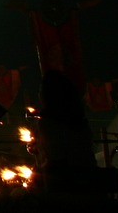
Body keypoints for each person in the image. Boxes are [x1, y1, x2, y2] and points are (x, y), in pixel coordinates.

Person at [34, 69, 98, 198]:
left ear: (48, 95)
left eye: (41, 90)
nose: (38, 94)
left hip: (65, 187)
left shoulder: (48, 124)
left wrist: (39, 171)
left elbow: (56, 158)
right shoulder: (80, 120)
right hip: (89, 181)